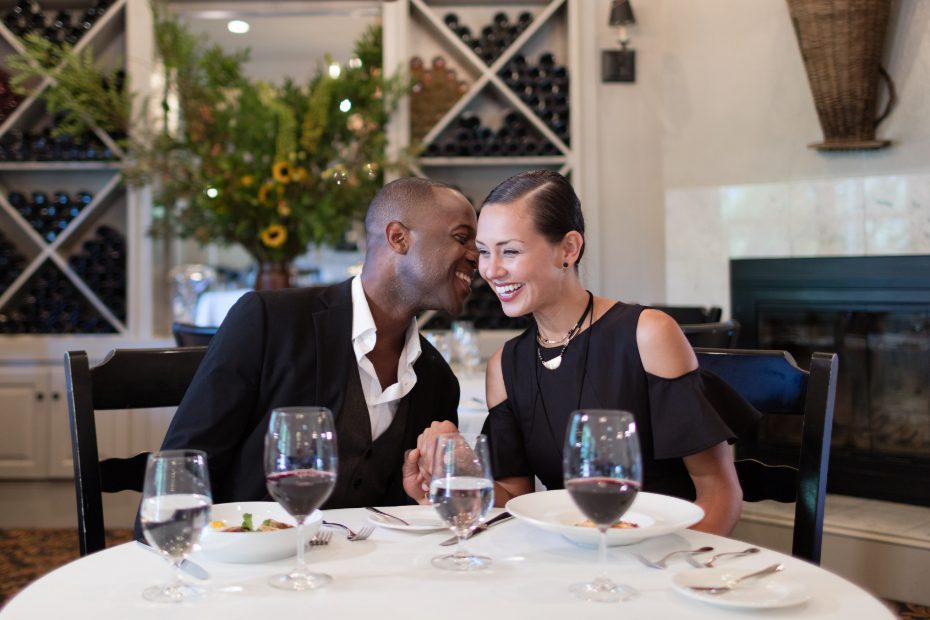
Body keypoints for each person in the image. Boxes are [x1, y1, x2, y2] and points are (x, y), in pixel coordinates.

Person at [461, 169, 757, 535]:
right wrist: (458, 473)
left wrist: (668, 576)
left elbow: (719, 494)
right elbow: (514, 497)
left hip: (664, 556)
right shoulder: (505, 367)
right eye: (483, 252)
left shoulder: (648, 335)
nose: (491, 270)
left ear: (568, 248)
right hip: (575, 564)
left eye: (510, 251)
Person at [157, 177, 475, 509]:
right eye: (462, 238)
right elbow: (183, 466)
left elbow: (402, 510)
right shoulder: (270, 322)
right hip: (246, 552)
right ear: (398, 237)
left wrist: (425, 497)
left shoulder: (437, 379)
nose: (476, 257)